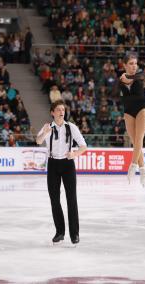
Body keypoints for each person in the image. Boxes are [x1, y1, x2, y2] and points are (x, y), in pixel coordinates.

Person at [36, 100, 87, 245]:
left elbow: (84, 146)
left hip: (67, 165)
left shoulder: (71, 127)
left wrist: (75, 154)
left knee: (72, 199)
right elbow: (38, 141)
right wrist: (44, 133)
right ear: (52, 112)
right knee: (54, 200)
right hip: (52, 165)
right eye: (58, 109)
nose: (61, 112)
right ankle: (60, 232)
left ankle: (74, 234)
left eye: (63, 109)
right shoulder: (48, 127)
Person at [118, 52, 145, 187]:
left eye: (135, 63)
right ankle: (144, 172)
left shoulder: (140, 75)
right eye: (131, 64)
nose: (134, 66)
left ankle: (133, 166)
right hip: (128, 111)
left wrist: (125, 78)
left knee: (139, 139)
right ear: (124, 65)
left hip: (141, 109)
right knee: (134, 142)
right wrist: (123, 79)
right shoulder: (120, 79)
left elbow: (133, 78)